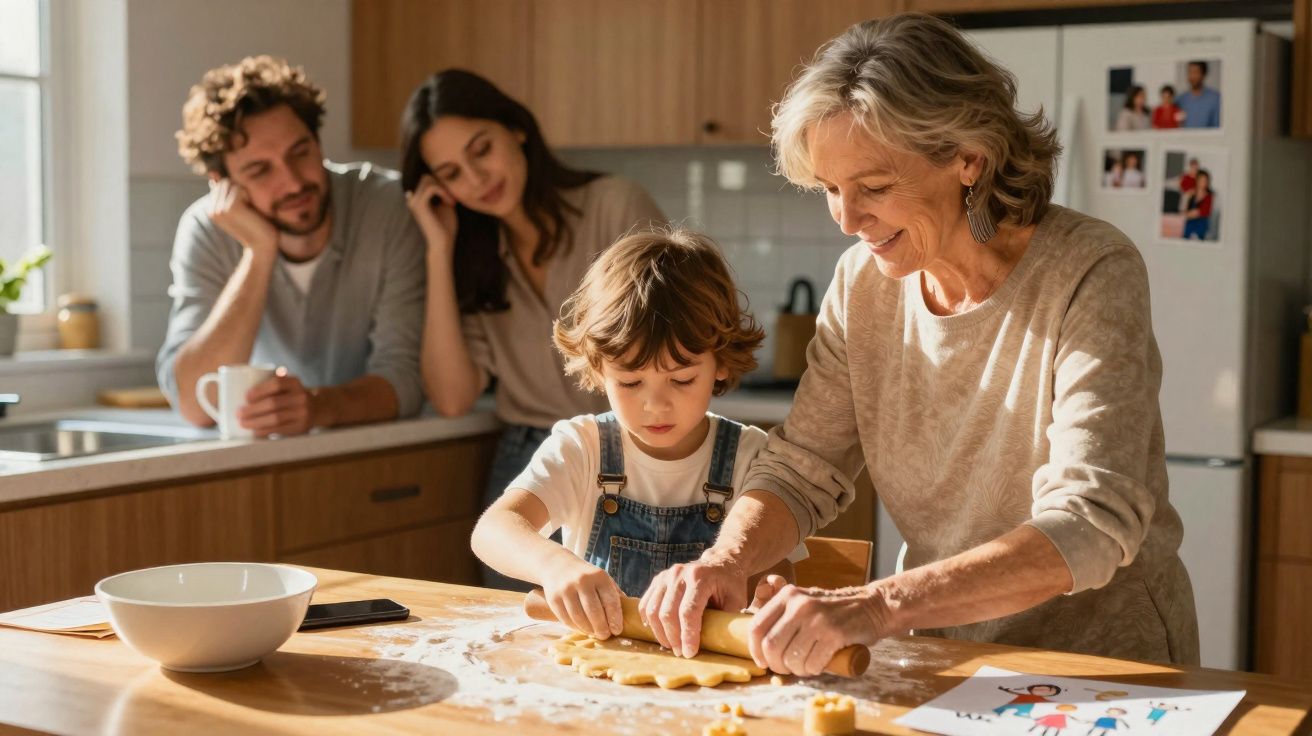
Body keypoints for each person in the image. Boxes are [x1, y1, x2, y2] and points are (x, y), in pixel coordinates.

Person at [639, 13, 1199, 674]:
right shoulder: (861, 284)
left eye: (874, 188)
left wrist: (878, 605)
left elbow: (1091, 521)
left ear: (968, 158)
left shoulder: (1090, 271)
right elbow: (801, 467)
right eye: (830, 190)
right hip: (939, 651)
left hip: (1100, 664)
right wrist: (726, 561)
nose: (847, 219)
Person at [400, 70, 665, 590]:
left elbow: (668, 343)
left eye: (482, 149)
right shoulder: (475, 260)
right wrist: (437, 248)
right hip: (527, 462)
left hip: (630, 450)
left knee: (629, 620)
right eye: (452, 173)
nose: (476, 179)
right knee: (516, 626)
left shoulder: (616, 206)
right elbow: (452, 397)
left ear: (516, 129)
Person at [469, 229, 799, 637]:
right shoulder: (582, 448)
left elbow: (777, 571)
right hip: (600, 667)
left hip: (705, 671)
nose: (655, 405)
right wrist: (554, 565)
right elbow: (493, 529)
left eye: (681, 380)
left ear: (722, 363)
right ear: (598, 369)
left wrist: (770, 595)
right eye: (630, 382)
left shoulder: (751, 457)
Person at [159, 56, 425, 435]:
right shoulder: (207, 230)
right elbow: (193, 403)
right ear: (222, 184)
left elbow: (406, 378)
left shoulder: (387, 208)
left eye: (300, 152)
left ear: (318, 143)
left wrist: (317, 407)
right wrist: (259, 252)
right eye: (260, 170)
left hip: (376, 446)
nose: (293, 182)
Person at [1177, 61, 1221, 128]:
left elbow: (1218, 128)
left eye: (1195, 72)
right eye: (1190, 72)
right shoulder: (1180, 99)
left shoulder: (1215, 98)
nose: (1192, 76)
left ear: (1204, 74)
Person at [1182, 169, 1213, 240]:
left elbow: (1203, 212)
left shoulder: (1209, 196)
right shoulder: (1191, 194)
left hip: (1201, 227)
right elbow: (1184, 210)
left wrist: (1189, 214)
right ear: (1197, 181)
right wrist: (1188, 196)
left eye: (1205, 181)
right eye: (1201, 180)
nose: (1203, 183)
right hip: (1189, 225)